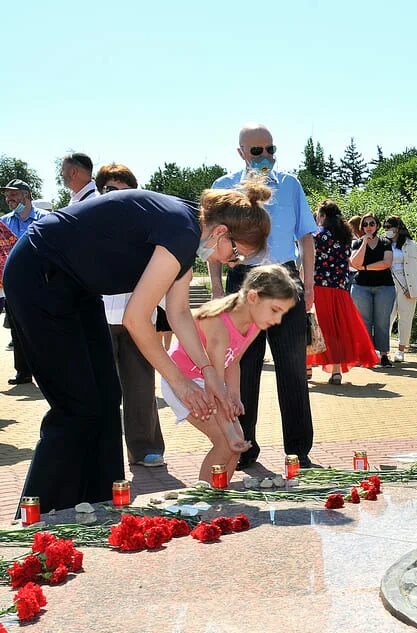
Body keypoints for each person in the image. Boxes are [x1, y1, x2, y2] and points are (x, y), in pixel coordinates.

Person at [3, 180, 271, 514]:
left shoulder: (190, 232)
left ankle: (98, 504)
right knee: (77, 406)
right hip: (38, 274)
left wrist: (208, 373)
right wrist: (179, 381)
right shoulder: (182, 230)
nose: (233, 262)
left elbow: (179, 313)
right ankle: (38, 516)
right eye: (236, 253)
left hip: (76, 287)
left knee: (106, 397)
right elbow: (136, 318)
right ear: (220, 232)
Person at [210, 123, 317, 469]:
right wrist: (215, 289)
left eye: (271, 149)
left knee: (292, 368)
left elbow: (307, 238)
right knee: (241, 368)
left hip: (285, 279)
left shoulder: (290, 184)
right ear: (240, 152)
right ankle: (245, 447)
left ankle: (298, 450)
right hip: (242, 281)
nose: (265, 157)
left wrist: (310, 286)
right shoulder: (223, 188)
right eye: (257, 151)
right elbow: (211, 246)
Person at [164, 265, 298, 483]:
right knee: (225, 442)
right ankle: (203, 498)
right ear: (253, 297)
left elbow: (233, 361)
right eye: (275, 310)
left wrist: (234, 396)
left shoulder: (254, 324)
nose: (278, 320)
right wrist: (228, 427)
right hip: (184, 380)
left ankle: (221, 498)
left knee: (236, 443)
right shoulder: (219, 323)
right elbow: (214, 384)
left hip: (209, 380)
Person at [94, 164, 166, 468]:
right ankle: (101, 450)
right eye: (111, 190)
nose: (118, 198)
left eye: (125, 191)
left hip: (139, 319)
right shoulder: (88, 223)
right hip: (98, 317)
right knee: (101, 388)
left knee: (140, 386)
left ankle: (145, 447)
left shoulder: (147, 226)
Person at [306, 201, 377, 383]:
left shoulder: (317, 235)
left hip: (318, 286)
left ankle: (306, 367)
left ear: (322, 216)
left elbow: (307, 261)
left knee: (312, 326)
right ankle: (336, 371)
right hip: (340, 288)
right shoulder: (345, 236)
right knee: (336, 329)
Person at [1, 179, 47, 385]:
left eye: (13, 194)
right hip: (12, 285)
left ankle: (50, 371)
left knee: (44, 328)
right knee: (18, 331)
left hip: (41, 283)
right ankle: (23, 372)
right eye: (6, 195)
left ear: (26, 195)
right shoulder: (3, 223)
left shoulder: (45, 219)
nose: (8, 199)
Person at [350, 213, 396, 367]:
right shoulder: (357, 243)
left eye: (371, 224)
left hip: (384, 287)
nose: (368, 227)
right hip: (361, 287)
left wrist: (365, 267)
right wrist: (364, 243)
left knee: (382, 321)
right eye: (365, 224)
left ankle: (383, 354)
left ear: (377, 225)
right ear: (361, 227)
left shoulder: (385, 242)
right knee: (364, 322)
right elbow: (354, 262)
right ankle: (366, 355)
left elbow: (386, 263)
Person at [384, 215, 417, 361]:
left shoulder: (412, 245)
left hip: (408, 284)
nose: (386, 230)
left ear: (398, 228)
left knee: (406, 317)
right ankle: (383, 349)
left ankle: (401, 350)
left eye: (389, 227)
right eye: (385, 227)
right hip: (387, 283)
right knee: (386, 316)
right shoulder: (384, 243)